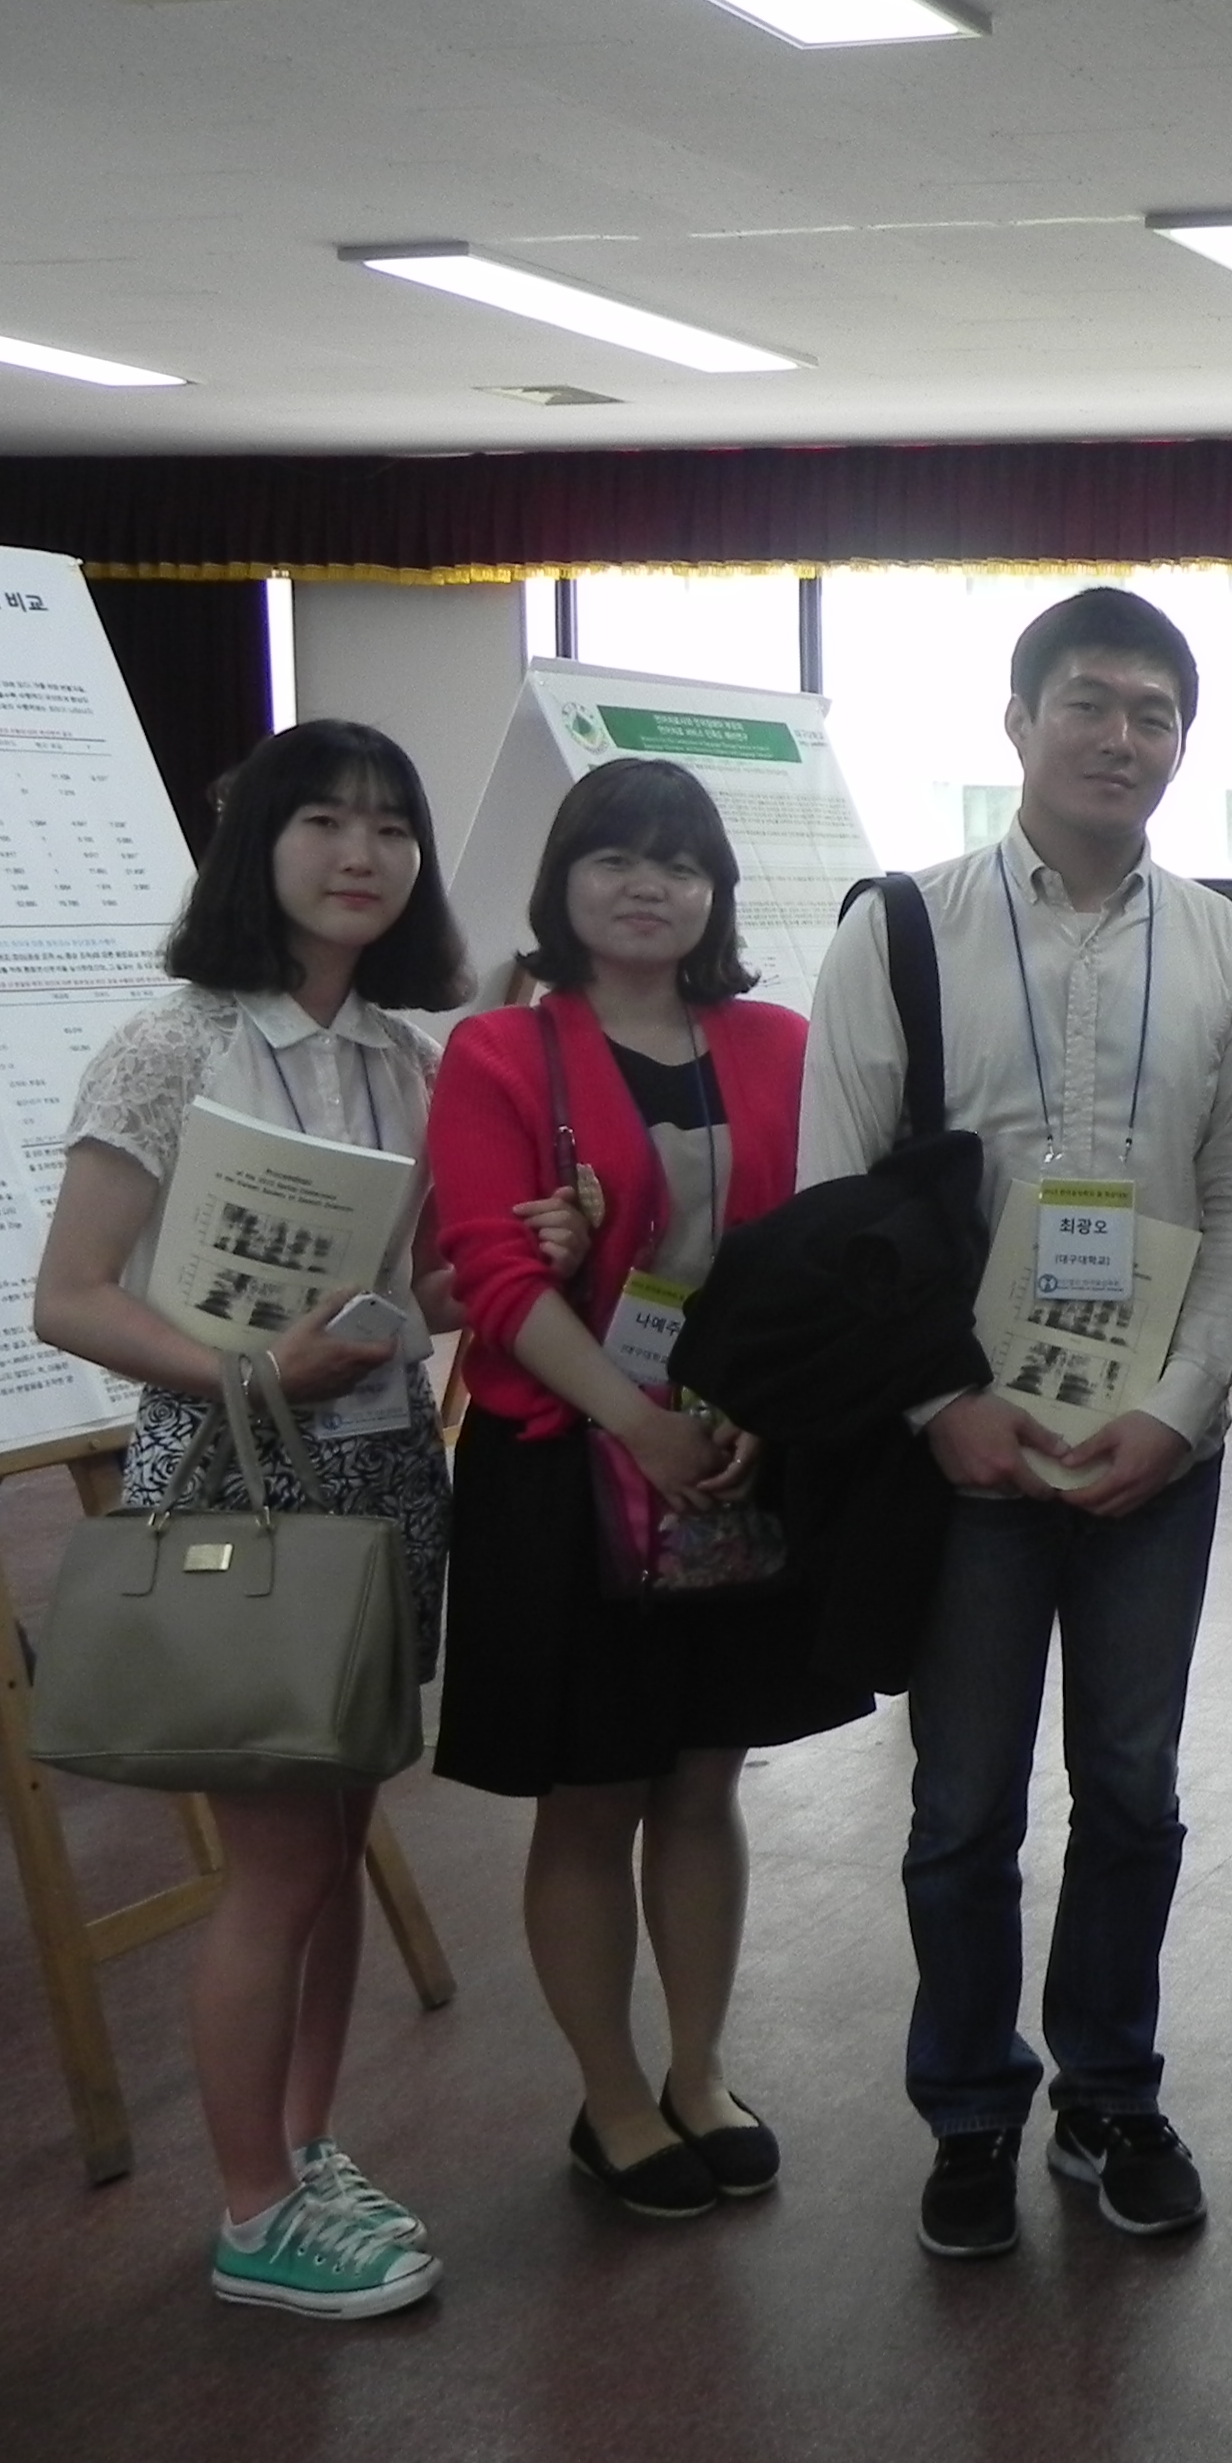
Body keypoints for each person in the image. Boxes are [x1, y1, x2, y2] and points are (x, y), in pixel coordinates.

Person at [798, 585, 1232, 2262]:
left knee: (1134, 1789)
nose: (1120, 738)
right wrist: (942, 1404)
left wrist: (1178, 1408)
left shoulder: (1228, 949)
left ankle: (1110, 2092)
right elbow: (838, 1202)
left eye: (1154, 714)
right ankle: (968, 2110)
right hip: (966, 1453)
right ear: (1018, 721)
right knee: (963, 1807)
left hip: (1153, 1454)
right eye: (1088, 703)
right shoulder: (900, 930)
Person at [32, 719, 473, 2319]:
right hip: (232, 1474)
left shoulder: (408, 1059)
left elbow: (411, 1297)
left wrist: (498, 1264)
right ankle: (248, 2210)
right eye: (323, 822)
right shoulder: (173, 1049)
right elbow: (71, 1296)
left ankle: (302, 2146)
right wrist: (255, 1370)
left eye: (392, 826)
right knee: (279, 1867)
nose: (363, 854)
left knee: (339, 1845)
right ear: (255, 847)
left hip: (382, 1469)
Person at [427, 758, 872, 2220]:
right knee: (591, 1793)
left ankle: (698, 2070)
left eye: (680, 865)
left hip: (736, 1459)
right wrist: (640, 1422)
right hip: (566, 1471)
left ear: (715, 894)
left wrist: (751, 1420)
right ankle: (612, 2098)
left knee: (701, 1781)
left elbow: (815, 1255)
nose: (648, 887)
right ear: (563, 881)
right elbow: (495, 1281)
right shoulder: (501, 1051)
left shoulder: (781, 1044)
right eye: (616, 858)